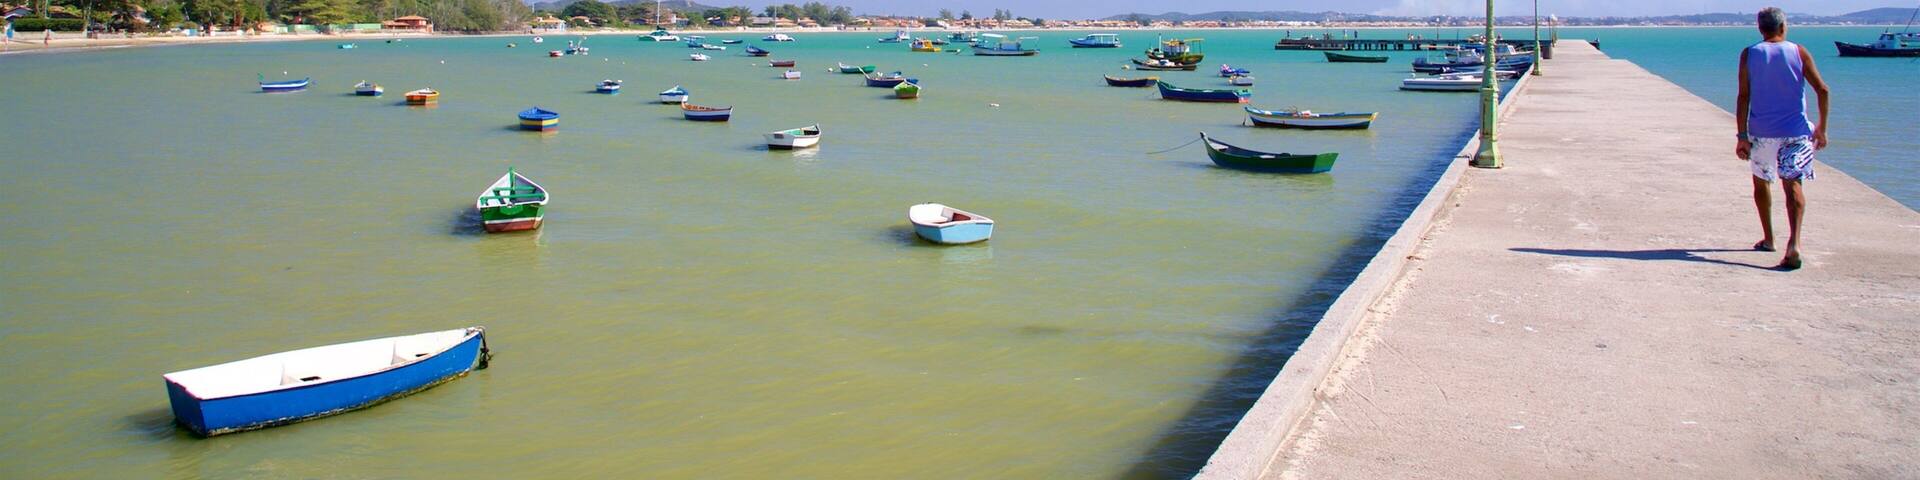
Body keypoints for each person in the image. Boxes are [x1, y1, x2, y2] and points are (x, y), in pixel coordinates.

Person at [1735, 7, 1829, 271]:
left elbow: (1744, 96)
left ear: (1760, 29)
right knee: (1794, 186)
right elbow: (1822, 90)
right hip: (1796, 133)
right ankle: (1795, 243)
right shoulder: (1798, 52)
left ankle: (1768, 238)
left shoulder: (1750, 54)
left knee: (1762, 182)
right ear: (1783, 27)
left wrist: (1742, 136)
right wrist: (1821, 128)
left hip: (1762, 133)